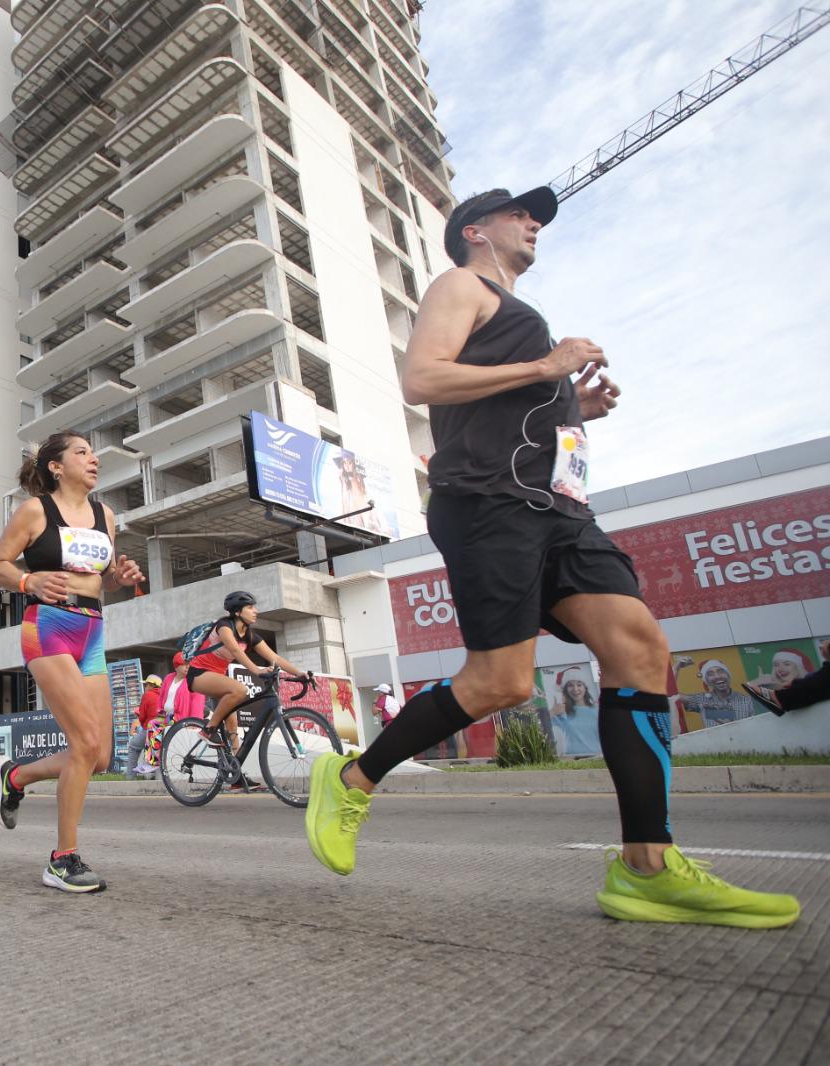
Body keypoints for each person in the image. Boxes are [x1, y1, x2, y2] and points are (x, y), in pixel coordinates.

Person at [302, 185, 798, 928]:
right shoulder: (460, 284)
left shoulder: (522, 321)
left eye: (537, 217)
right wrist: (548, 367)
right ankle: (353, 777)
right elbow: (423, 379)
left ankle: (646, 869)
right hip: (489, 505)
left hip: (560, 509)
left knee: (639, 648)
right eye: (520, 214)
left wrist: (573, 404)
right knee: (500, 682)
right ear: (476, 230)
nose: (534, 223)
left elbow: (511, 408)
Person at [0, 432, 145, 892]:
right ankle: (62, 858)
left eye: (94, 453)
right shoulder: (37, 510)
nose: (93, 459)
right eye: (82, 452)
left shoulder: (105, 516)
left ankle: (15, 776)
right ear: (56, 466)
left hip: (92, 629)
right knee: (84, 741)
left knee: (99, 757)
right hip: (49, 626)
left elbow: (102, 580)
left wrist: (120, 576)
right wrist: (28, 581)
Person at [186, 592, 303, 763]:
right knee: (240, 689)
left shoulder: (249, 635)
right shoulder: (224, 626)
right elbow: (235, 650)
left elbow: (275, 658)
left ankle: (235, 772)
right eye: (250, 607)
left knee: (232, 723)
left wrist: (300, 673)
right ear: (238, 612)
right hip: (199, 674)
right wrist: (256, 670)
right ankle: (208, 730)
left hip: (218, 676)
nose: (255, 611)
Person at [743, 640, 830, 715]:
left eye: (787, 664)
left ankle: (782, 698)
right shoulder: (811, 679)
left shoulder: (816, 680)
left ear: (799, 667)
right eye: (776, 665)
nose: (780, 669)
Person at [673, 657, 754, 726]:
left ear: (728, 675)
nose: (717, 676)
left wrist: (732, 725)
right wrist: (676, 667)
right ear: (707, 681)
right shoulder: (702, 699)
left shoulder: (747, 701)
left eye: (720, 671)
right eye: (710, 674)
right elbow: (670, 694)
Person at [124, 675, 163, 777]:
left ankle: (130, 777)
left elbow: (142, 715)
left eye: (146, 685)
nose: (145, 687)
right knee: (160, 752)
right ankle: (160, 780)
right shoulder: (164, 695)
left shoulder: (148, 695)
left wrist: (142, 723)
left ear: (151, 685)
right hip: (164, 728)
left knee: (133, 746)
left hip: (150, 728)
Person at [160, 652, 205, 722]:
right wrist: (159, 711)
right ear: (176, 666)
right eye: (185, 664)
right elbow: (161, 697)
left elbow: (197, 704)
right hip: (164, 716)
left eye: (190, 664)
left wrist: (194, 722)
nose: (188, 666)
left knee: (159, 727)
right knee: (151, 726)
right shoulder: (168, 678)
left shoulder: (195, 680)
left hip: (181, 720)